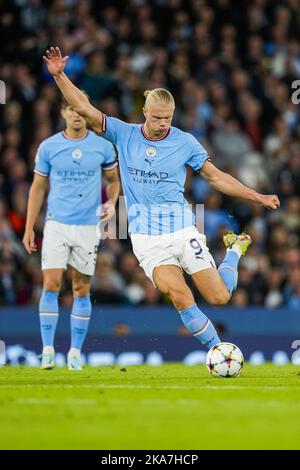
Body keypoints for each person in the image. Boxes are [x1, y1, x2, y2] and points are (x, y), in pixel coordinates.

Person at [43, 47, 280, 351]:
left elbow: (216, 177)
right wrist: (60, 76)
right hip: (147, 239)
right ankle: (220, 352)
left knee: (220, 297)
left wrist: (256, 196)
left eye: (167, 118)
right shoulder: (124, 133)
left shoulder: (185, 142)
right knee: (181, 296)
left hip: (182, 230)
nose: (162, 124)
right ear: (145, 112)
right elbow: (85, 108)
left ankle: (233, 250)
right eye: (156, 118)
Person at [22, 92, 120, 370]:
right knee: (51, 284)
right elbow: (37, 188)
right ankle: (49, 350)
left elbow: (113, 181)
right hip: (56, 224)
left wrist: (111, 203)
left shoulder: (102, 147)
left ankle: (75, 353)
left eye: (81, 109)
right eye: (71, 109)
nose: (77, 114)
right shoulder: (49, 147)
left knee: (81, 288)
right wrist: (30, 227)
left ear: (87, 111)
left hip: (88, 226)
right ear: (63, 113)